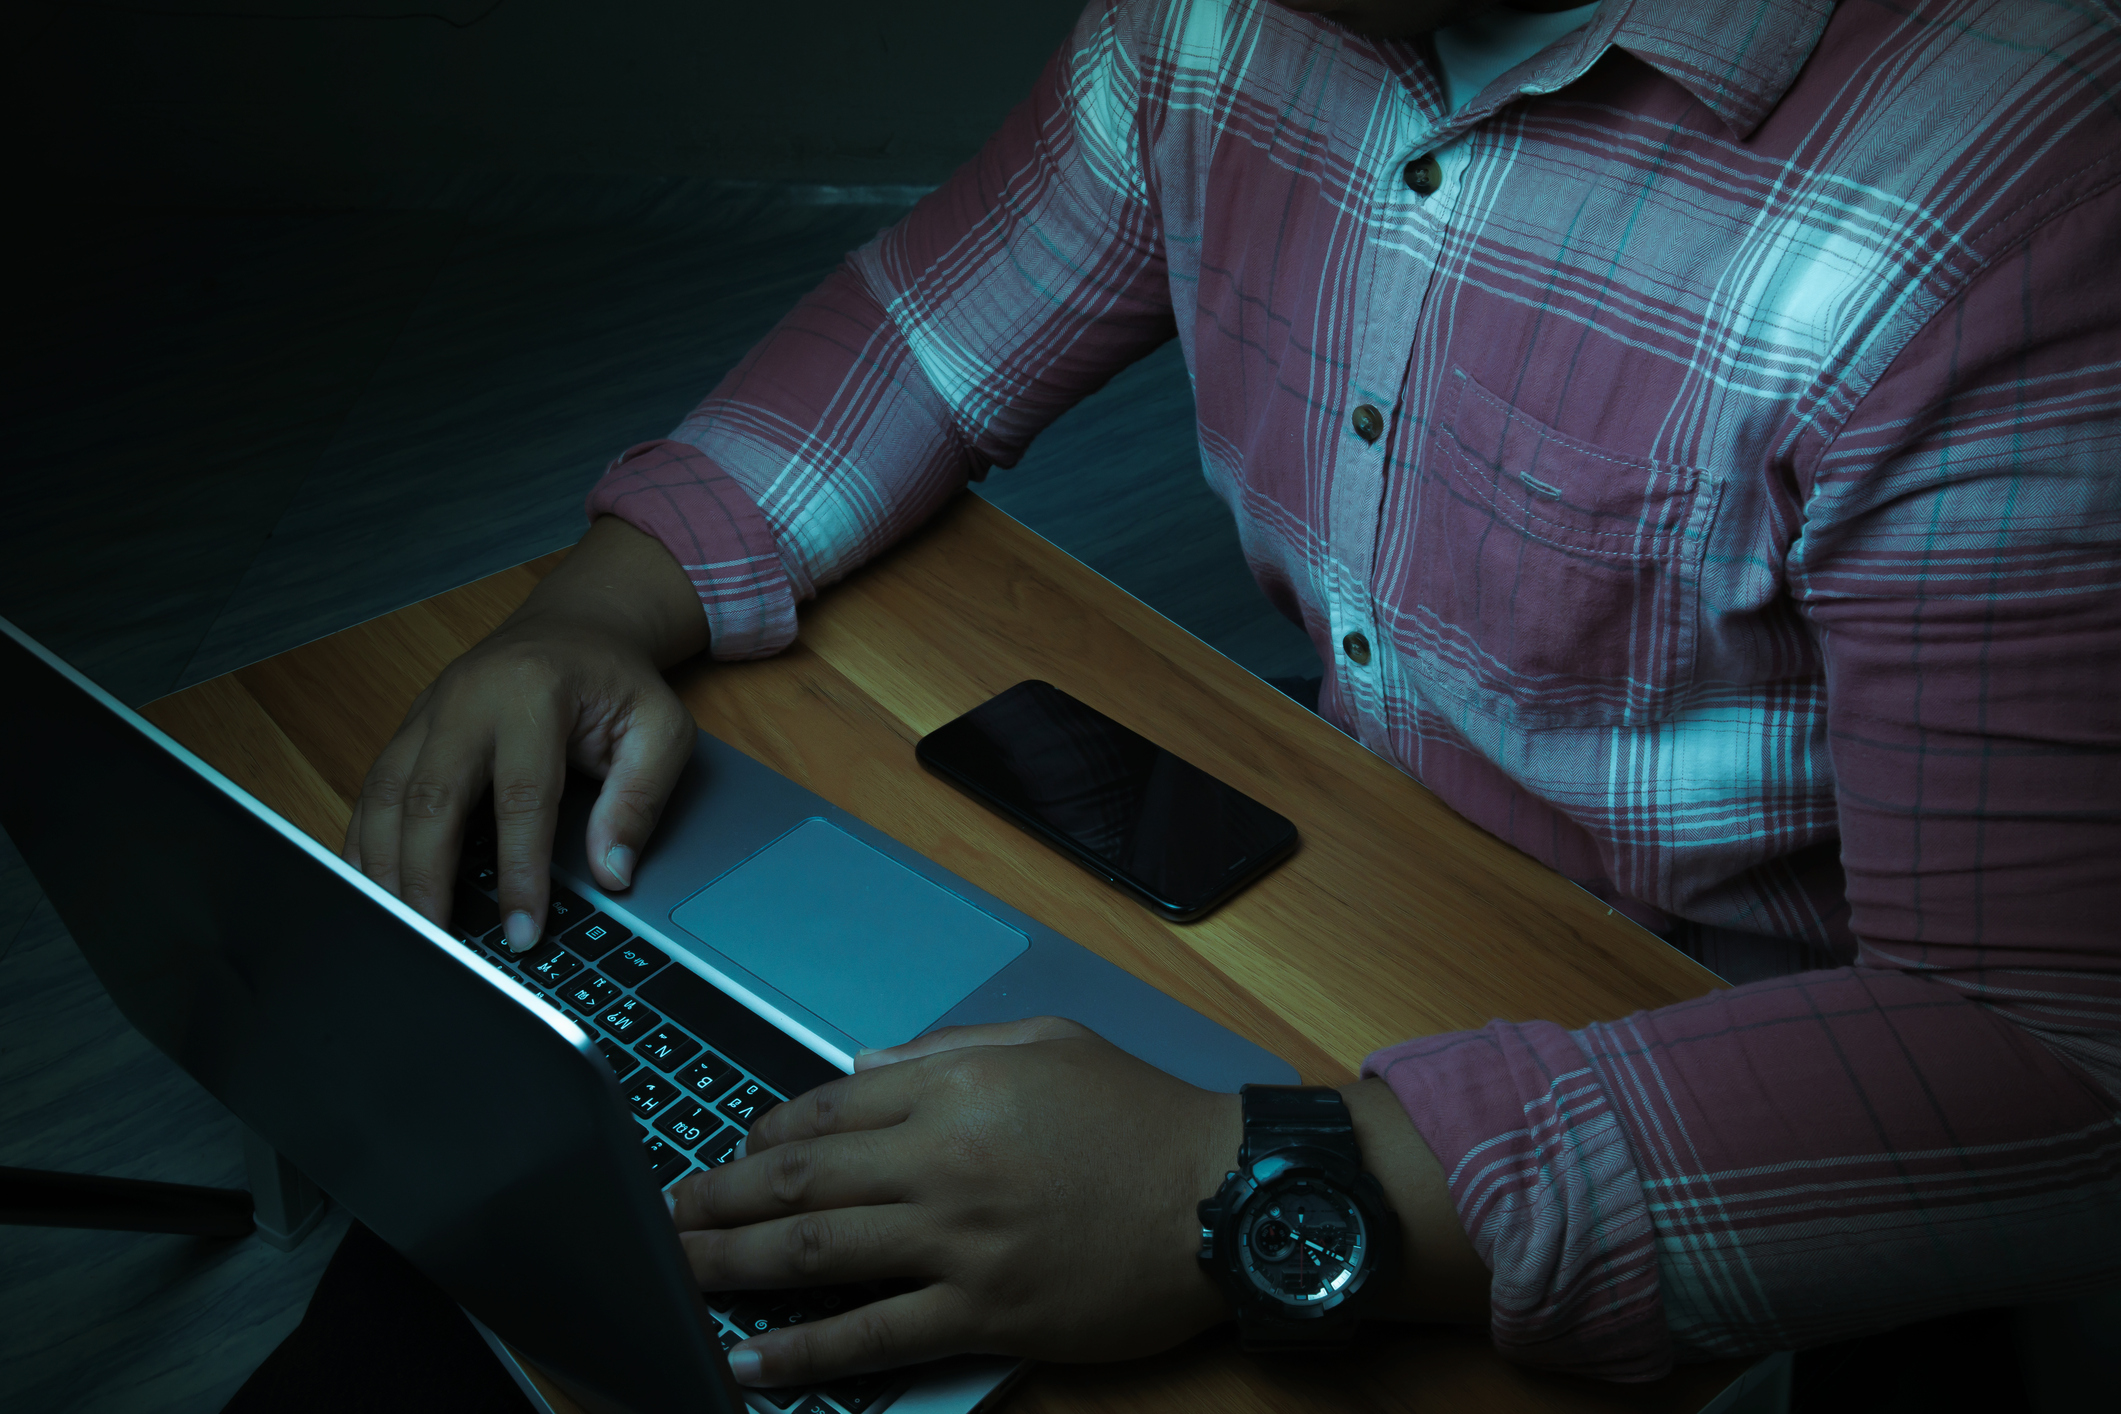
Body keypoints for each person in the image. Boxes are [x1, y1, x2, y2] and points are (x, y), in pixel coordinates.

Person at [343, 0, 2121, 1394]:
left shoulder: (2019, 177)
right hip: (1333, 892)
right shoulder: (1211, 18)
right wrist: (589, 608)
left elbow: (2056, 1074)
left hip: (1709, 1067)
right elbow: (916, 338)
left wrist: (1243, 1181)